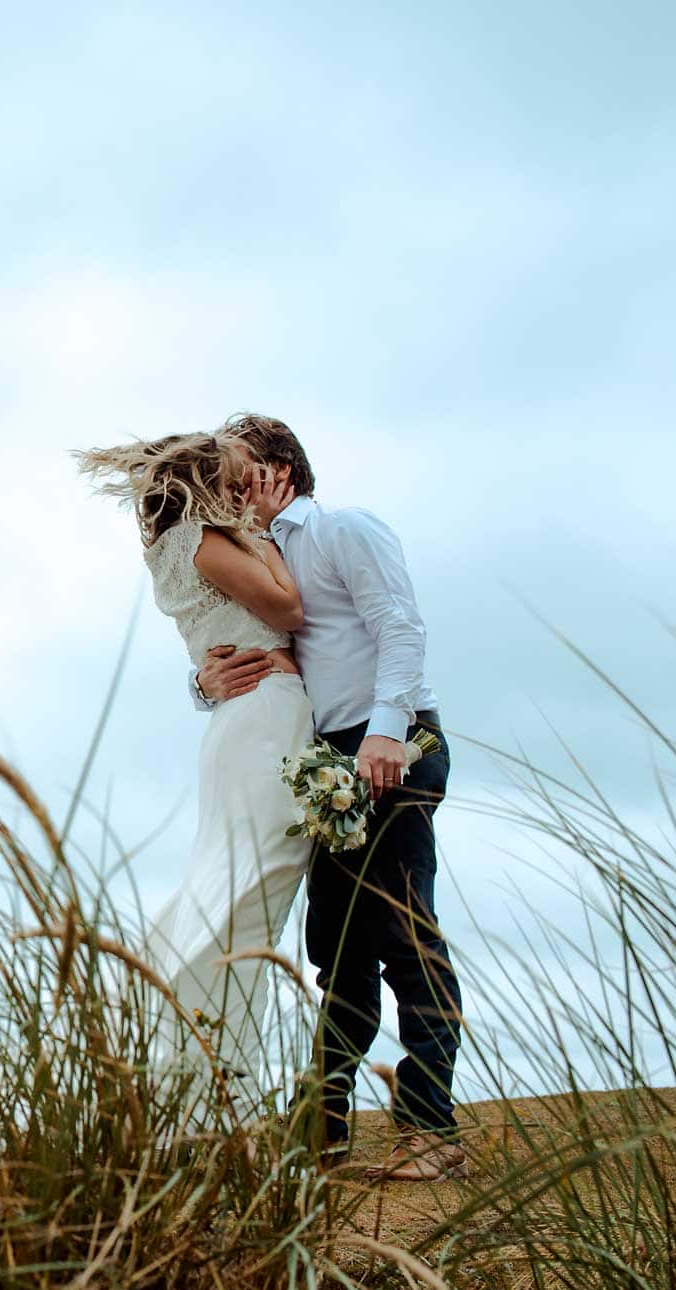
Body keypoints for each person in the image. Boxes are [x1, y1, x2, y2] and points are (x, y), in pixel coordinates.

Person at [196, 414, 464, 1182]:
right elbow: (245, 659)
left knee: (408, 933)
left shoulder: (344, 529)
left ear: (279, 467)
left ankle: (430, 1129)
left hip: (397, 745)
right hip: (326, 763)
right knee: (337, 946)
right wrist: (202, 683)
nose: (229, 486)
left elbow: (400, 626)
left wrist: (386, 730)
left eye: (239, 469)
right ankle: (326, 1127)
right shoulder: (258, 567)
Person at [75, 430, 313, 1121]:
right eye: (239, 479)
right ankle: (198, 1079)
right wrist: (264, 528)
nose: (248, 491)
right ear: (210, 482)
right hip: (261, 725)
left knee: (242, 896)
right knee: (244, 897)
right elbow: (287, 611)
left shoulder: (200, 539)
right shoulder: (206, 540)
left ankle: (206, 1077)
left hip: (250, 723)